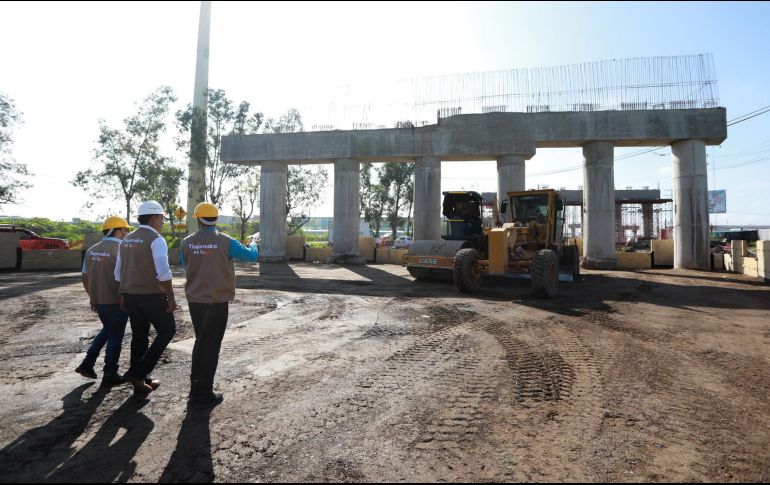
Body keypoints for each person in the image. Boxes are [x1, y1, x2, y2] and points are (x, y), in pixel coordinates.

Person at [180, 202, 258, 405]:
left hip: (195, 301)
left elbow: (185, 264)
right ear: (216, 218)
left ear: (198, 219)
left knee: (200, 342)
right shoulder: (226, 241)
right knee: (212, 345)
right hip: (217, 302)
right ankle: (204, 392)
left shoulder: (186, 242)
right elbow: (251, 257)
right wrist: (255, 243)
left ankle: (195, 387)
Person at [114, 200, 177, 394]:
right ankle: (139, 372)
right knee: (167, 331)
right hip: (151, 295)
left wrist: (123, 294)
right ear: (154, 217)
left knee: (139, 336)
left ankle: (140, 382)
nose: (163, 222)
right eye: (162, 218)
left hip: (131, 296)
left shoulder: (126, 240)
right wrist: (170, 296)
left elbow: (118, 273)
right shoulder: (156, 239)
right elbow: (163, 273)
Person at [75, 216, 132, 388]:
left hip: (99, 301)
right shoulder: (123, 248)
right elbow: (126, 276)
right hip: (117, 301)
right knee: (115, 336)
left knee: (107, 331)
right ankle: (110, 373)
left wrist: (92, 296)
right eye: (125, 230)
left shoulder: (92, 250)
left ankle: (87, 364)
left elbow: (84, 276)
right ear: (117, 230)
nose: (127, 233)